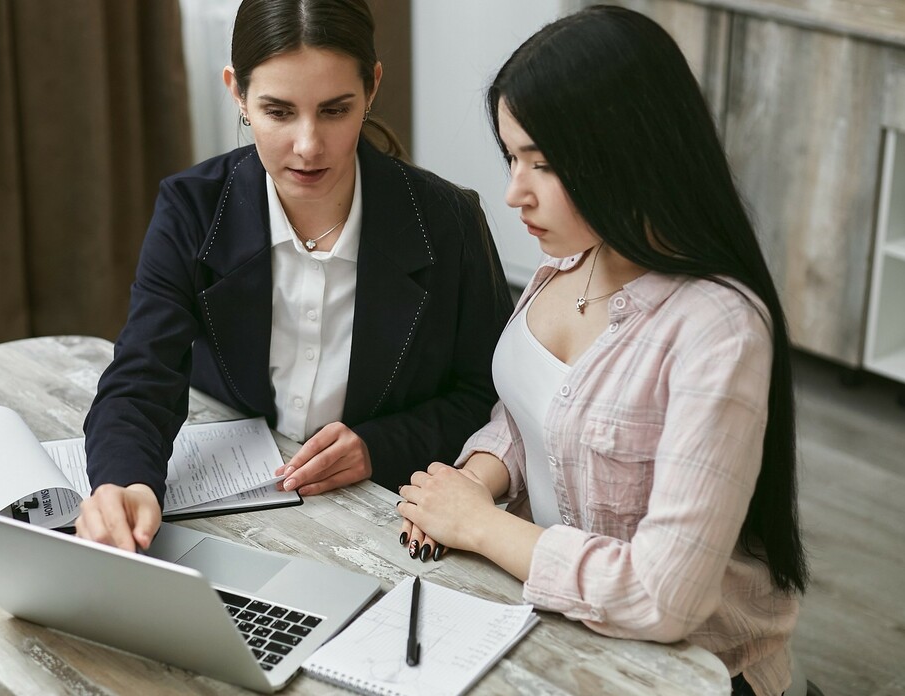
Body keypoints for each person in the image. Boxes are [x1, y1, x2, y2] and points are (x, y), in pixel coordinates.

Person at [396, 6, 808, 696]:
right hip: (552, 617)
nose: (513, 193)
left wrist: (482, 528)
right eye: (512, 156)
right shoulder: (573, 256)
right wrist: (481, 478)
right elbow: (537, 415)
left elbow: (662, 597)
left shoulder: (717, 329)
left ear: (627, 154)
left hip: (684, 668)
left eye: (544, 164)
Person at [78, 0, 512, 553]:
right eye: (279, 112)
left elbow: (488, 396)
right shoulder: (191, 208)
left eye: (334, 110)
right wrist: (124, 481)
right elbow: (142, 374)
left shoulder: (447, 221)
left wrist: (378, 446)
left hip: (388, 519)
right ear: (237, 92)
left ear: (372, 87)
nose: (308, 146)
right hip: (239, 518)